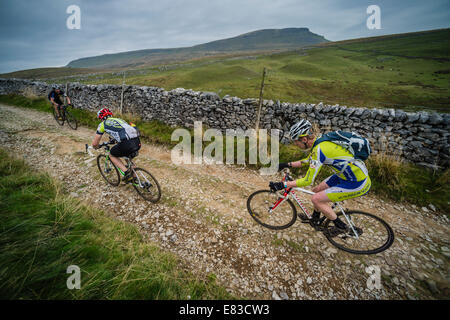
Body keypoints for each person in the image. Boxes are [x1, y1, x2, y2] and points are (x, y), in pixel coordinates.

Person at [269, 119, 371, 234]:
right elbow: (309, 160)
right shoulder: (321, 142)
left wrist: (283, 184)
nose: (295, 144)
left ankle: (341, 227)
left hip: (356, 182)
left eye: (296, 141)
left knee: (316, 199)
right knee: (316, 190)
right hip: (345, 175)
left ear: (304, 139)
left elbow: (308, 180)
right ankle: (316, 219)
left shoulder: (319, 149)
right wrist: (287, 164)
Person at [91, 108, 141, 183]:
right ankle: (135, 178)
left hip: (126, 143)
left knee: (112, 155)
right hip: (137, 141)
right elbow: (123, 131)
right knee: (127, 156)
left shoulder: (102, 124)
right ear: (111, 115)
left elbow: (95, 143)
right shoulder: (120, 120)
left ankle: (127, 173)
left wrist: (96, 147)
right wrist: (114, 140)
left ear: (101, 118)